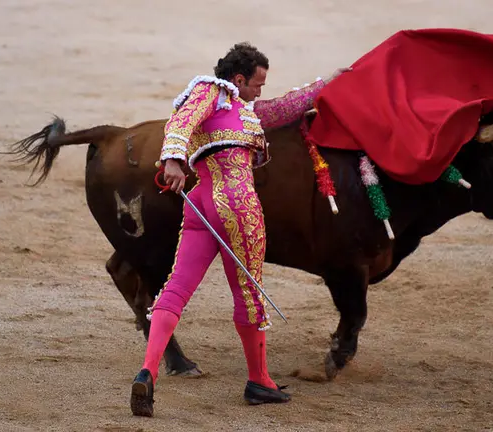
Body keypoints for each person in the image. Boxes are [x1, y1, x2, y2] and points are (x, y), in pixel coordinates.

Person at [130, 42, 350, 417]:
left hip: (202, 203)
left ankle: (148, 371)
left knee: (176, 287)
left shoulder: (244, 111)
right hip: (236, 201)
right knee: (248, 293)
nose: (260, 92)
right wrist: (172, 159)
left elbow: (289, 105)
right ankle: (259, 381)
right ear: (238, 79)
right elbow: (181, 121)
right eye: (257, 84)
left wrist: (332, 82)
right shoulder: (212, 91)